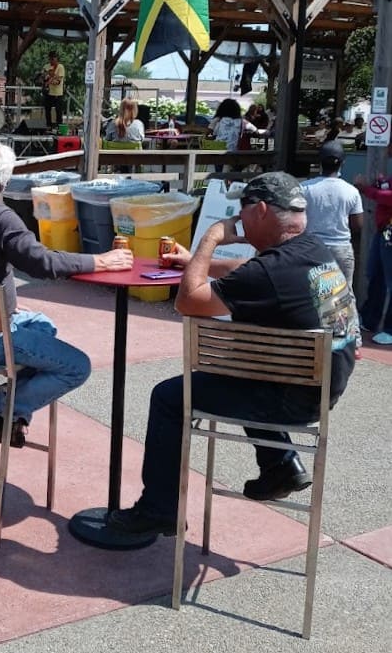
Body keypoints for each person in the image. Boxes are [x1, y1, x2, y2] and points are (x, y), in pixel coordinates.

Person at [106, 171, 358, 541]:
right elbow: (248, 270)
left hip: (288, 397)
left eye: (240, 215)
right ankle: (281, 464)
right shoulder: (314, 250)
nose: (237, 222)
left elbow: (188, 301)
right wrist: (194, 262)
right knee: (238, 373)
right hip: (321, 386)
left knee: (168, 398)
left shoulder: (269, 272)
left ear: (259, 210)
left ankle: (159, 510)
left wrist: (211, 238)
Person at [0, 139, 134, 446]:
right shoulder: (0, 218)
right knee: (77, 367)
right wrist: (98, 261)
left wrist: (1, 304)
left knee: (43, 325)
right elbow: (42, 263)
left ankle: (11, 417)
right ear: (5, 179)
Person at [301, 141, 362, 289]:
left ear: (320, 162)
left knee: (312, 293)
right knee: (344, 295)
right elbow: (358, 225)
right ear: (342, 163)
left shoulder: (304, 188)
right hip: (341, 249)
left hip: (312, 248)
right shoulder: (351, 191)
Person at [354, 158, 392, 345]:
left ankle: (390, 329)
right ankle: (369, 320)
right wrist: (380, 184)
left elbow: (389, 197)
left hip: (390, 231)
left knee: (390, 281)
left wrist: (367, 190)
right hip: (383, 230)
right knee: (375, 275)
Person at [41, 52, 65, 131]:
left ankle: (59, 128)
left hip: (58, 93)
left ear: (56, 58)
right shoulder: (46, 66)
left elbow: (58, 81)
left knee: (59, 111)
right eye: (50, 58)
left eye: (53, 58)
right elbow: (43, 77)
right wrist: (46, 78)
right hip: (48, 92)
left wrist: (50, 79)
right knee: (47, 110)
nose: (51, 60)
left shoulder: (60, 67)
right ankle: (49, 126)